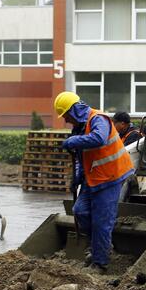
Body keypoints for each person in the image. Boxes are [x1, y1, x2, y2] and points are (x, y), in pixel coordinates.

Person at [55, 91, 135, 271]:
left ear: (74, 110)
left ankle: (100, 263)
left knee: (101, 221)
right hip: (93, 178)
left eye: (66, 116)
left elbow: (99, 139)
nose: (66, 121)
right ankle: (102, 247)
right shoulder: (80, 127)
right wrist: (76, 178)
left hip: (111, 176)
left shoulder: (98, 119)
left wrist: (74, 140)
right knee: (80, 211)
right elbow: (81, 158)